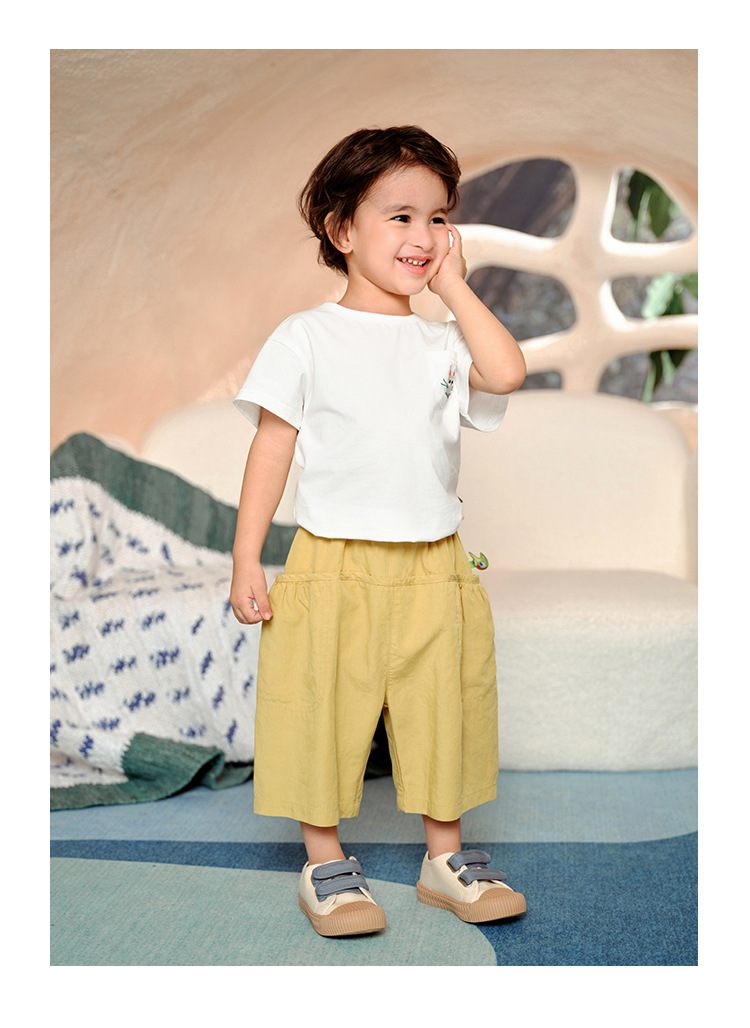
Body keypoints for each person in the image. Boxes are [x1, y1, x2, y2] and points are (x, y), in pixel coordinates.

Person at [230, 125, 528, 938]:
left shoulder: (444, 339)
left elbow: (506, 372)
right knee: (320, 709)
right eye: (400, 217)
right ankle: (325, 863)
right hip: (332, 562)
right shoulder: (306, 336)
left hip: (435, 562)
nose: (423, 236)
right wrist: (247, 556)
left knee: (445, 710)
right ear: (341, 230)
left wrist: (455, 288)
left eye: (438, 218)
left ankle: (445, 860)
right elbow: (272, 447)